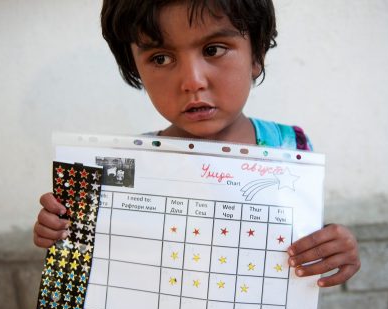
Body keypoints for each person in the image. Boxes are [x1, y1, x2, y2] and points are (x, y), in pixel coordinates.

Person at [34, 0, 360, 288]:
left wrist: (331, 246)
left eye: (213, 49)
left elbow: (299, 238)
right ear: (137, 69)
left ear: (256, 55)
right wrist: (62, 232)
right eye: (161, 58)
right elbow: (97, 260)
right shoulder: (128, 166)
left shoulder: (291, 147)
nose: (192, 81)